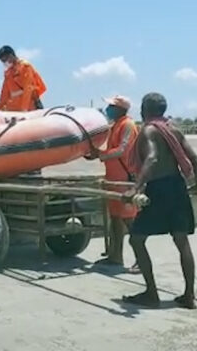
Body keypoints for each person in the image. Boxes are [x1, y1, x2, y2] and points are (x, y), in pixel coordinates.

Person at [122, 92, 197, 310]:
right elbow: (194, 159)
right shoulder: (173, 129)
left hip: (158, 189)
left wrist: (136, 187)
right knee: (182, 241)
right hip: (177, 186)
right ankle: (189, 296)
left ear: (145, 109)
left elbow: (152, 158)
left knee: (136, 240)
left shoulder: (149, 130)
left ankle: (151, 293)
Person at [86, 96, 140, 273]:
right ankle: (115, 256)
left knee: (130, 220)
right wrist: (97, 153)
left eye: (111, 106)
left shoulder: (127, 125)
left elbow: (122, 149)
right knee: (116, 219)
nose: (108, 108)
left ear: (120, 109)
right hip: (113, 178)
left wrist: (101, 155)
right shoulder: (116, 125)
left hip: (124, 179)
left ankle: (141, 259)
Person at [0, 45, 47, 111]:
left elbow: (27, 89)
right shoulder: (8, 73)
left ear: (11, 56)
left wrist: (24, 110)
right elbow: (4, 94)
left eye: (4, 60)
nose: (4, 63)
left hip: (29, 109)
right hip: (13, 110)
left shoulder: (24, 67)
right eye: (2, 61)